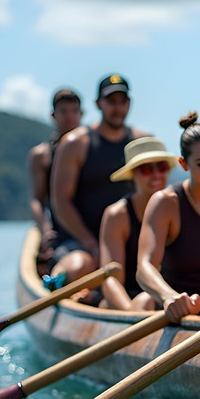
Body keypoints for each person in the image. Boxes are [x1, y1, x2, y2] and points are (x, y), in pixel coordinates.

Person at [49, 74, 150, 286]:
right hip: (79, 242)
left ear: (129, 104)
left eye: (122, 102)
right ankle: (59, 284)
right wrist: (91, 243)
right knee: (80, 266)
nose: (117, 107)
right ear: (98, 104)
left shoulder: (141, 142)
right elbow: (60, 202)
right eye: (111, 102)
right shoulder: (75, 142)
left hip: (126, 241)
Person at [136, 112, 200, 321]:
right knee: (142, 302)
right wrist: (168, 297)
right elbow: (145, 267)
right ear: (183, 164)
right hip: (182, 318)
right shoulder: (165, 202)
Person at [98, 137, 178, 311]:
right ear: (133, 174)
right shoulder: (117, 215)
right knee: (145, 300)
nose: (156, 175)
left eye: (162, 167)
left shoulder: (179, 207)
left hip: (172, 300)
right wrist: (131, 314)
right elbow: (111, 279)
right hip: (132, 302)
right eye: (147, 169)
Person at [27, 88, 83, 274]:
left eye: (74, 111)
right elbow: (37, 199)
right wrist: (46, 230)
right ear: (53, 115)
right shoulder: (41, 155)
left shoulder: (91, 149)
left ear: (81, 114)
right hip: (61, 232)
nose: (69, 117)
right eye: (63, 112)